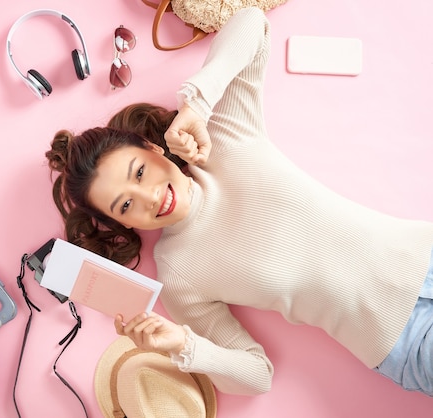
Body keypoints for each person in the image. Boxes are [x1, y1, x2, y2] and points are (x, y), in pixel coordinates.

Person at [45, 7, 433, 396]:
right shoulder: (179, 273)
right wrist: (184, 345)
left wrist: (196, 105)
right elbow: (256, 376)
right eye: (124, 206)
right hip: (404, 343)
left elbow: (252, 23)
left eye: (140, 173)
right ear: (123, 224)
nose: (149, 197)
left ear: (153, 149)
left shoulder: (222, 140)